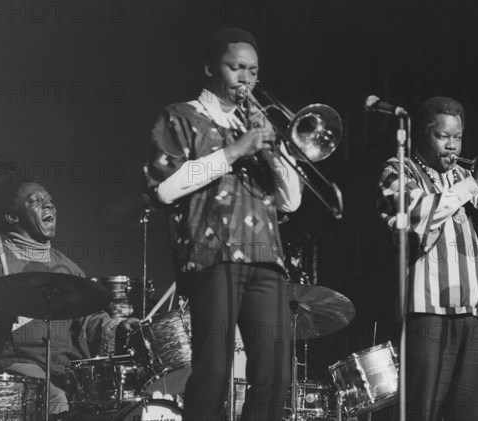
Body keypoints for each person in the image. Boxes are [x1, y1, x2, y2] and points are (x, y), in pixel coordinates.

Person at [144, 27, 302, 420]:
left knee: (275, 376)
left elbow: (292, 201)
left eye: (253, 70)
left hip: (266, 260)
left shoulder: (256, 129)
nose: (246, 78)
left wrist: (272, 151)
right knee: (213, 372)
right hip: (211, 257)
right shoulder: (180, 116)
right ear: (210, 68)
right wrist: (236, 149)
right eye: (236, 68)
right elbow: (163, 189)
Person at [377, 96, 478, 421]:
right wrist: (474, 183)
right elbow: (418, 219)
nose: (452, 146)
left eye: (457, 137)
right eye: (443, 136)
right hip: (428, 312)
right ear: (423, 134)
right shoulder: (397, 170)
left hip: (476, 313)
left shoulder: (466, 178)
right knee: (420, 413)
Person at [0, 179, 138, 420]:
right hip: (16, 369)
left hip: (69, 371)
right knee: (53, 397)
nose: (50, 206)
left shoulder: (68, 268)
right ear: (12, 217)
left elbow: (89, 319)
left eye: (51, 201)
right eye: (36, 201)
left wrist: (117, 327)